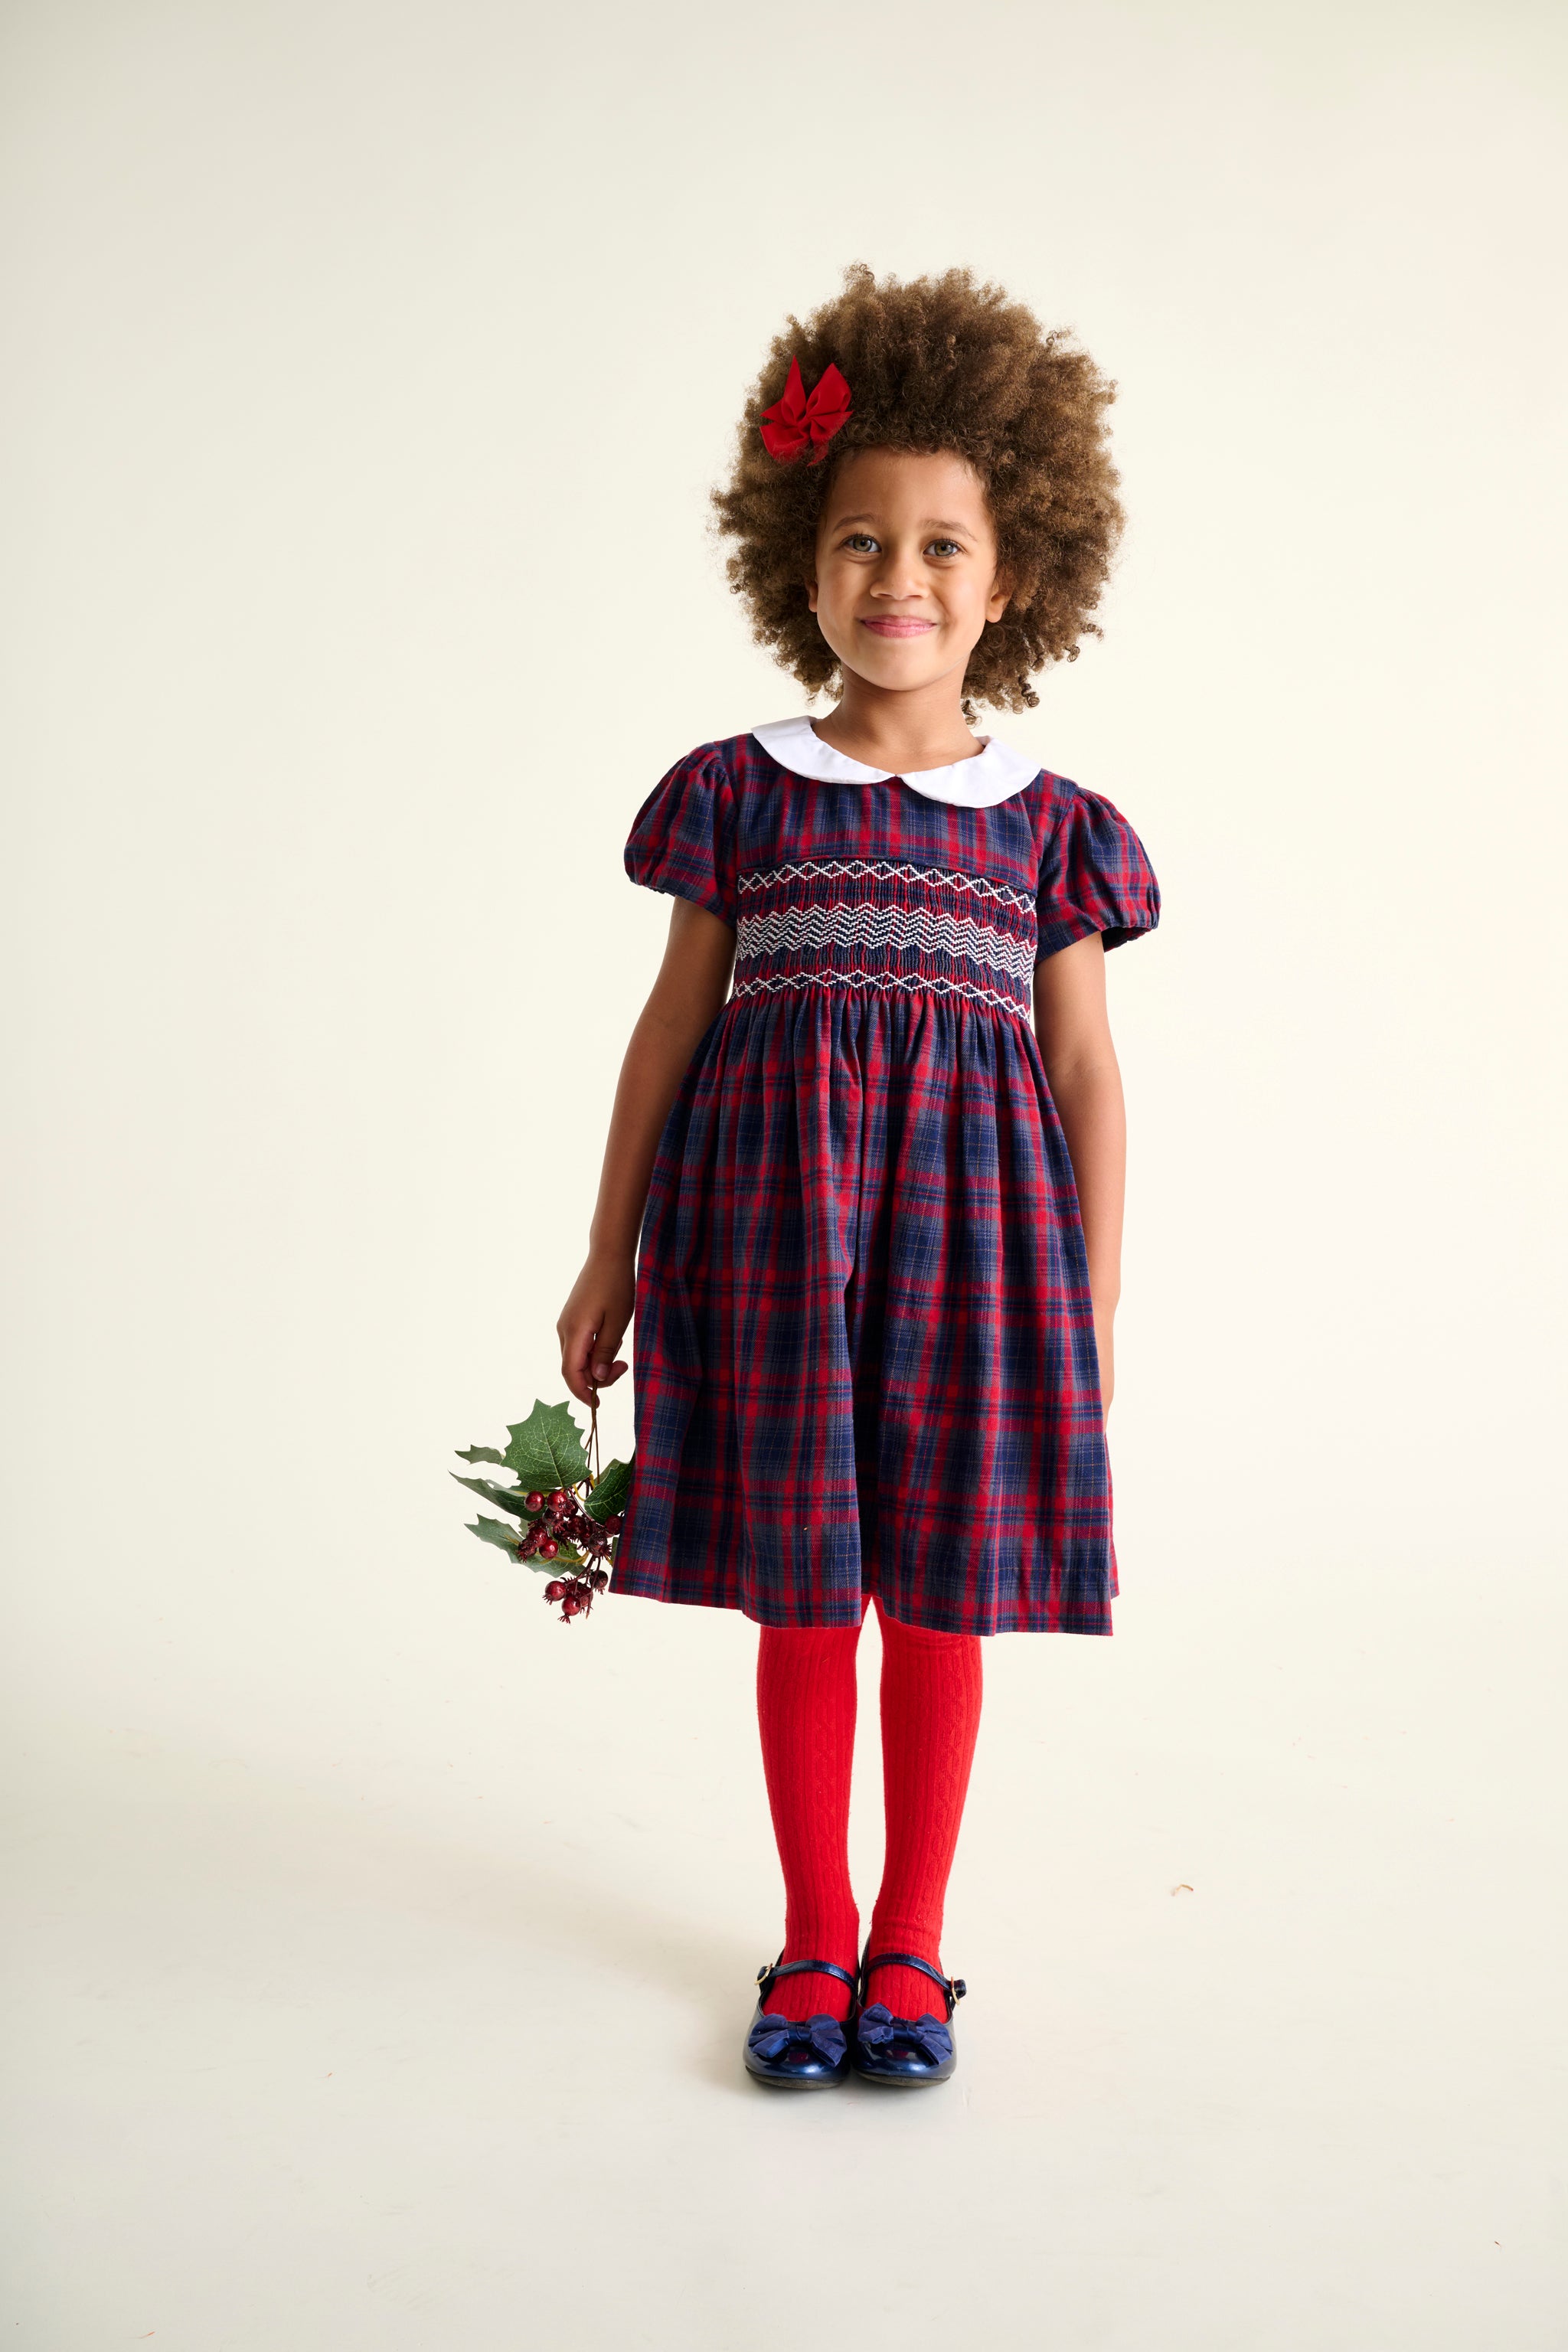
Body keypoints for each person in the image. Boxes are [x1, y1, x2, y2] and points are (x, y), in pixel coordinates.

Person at [557, 264, 1159, 2089]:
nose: (897, 580)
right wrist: (605, 1261)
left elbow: (1081, 1071)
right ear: (795, 564)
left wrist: (1099, 1302)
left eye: (942, 549)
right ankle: (811, 1939)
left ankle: (912, 1941)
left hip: (982, 1258)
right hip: (767, 1238)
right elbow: (668, 1033)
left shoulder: (1052, 829)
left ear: (1015, 579)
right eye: (858, 543)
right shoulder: (739, 793)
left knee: (943, 1593)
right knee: (809, 1585)